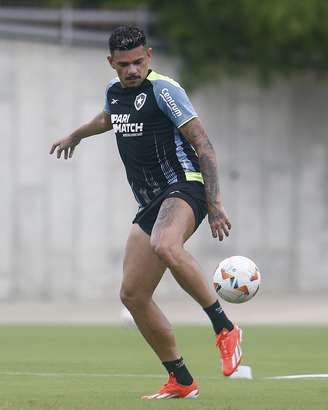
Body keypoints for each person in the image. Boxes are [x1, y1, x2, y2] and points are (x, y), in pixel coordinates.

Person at [50, 25, 242, 400]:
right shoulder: (113, 93)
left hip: (185, 185)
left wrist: (215, 204)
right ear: (112, 63)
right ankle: (181, 379)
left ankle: (225, 328)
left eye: (138, 62)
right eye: (124, 64)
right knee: (133, 294)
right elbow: (107, 120)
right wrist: (75, 135)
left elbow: (204, 144)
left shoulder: (164, 91)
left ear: (149, 56)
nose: (133, 70)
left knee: (165, 245)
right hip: (150, 201)